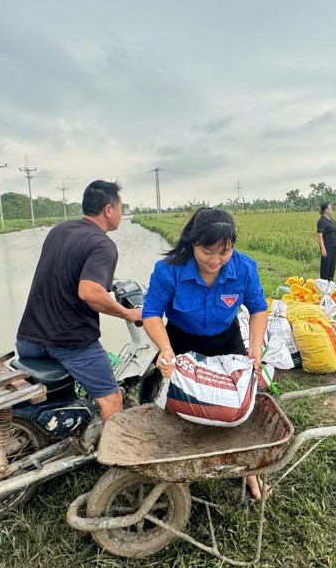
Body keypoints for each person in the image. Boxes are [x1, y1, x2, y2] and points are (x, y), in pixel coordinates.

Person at [142, 208, 270, 499]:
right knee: (166, 401)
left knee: (243, 405)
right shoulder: (168, 270)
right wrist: (165, 349)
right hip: (179, 340)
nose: (215, 261)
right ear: (191, 243)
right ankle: (177, 463)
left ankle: (251, 474)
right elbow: (151, 314)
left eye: (224, 252)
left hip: (226, 340)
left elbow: (258, 307)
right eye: (206, 251)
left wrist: (256, 343)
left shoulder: (244, 268)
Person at [15, 181, 141, 422]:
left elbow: (64, 268)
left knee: (64, 394)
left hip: (28, 339)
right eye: (120, 208)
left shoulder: (59, 230)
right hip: (69, 343)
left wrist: (105, 277)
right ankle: (111, 458)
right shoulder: (103, 244)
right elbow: (90, 292)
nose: (121, 214)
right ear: (108, 210)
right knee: (112, 399)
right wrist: (128, 314)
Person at [316, 202, 336, 280]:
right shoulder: (321, 221)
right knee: (326, 265)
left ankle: (330, 280)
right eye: (330, 208)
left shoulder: (332, 220)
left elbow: (335, 233)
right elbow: (320, 235)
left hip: (333, 245)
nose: (331, 209)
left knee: (332, 264)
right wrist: (323, 248)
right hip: (326, 246)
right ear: (325, 210)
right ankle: (324, 281)